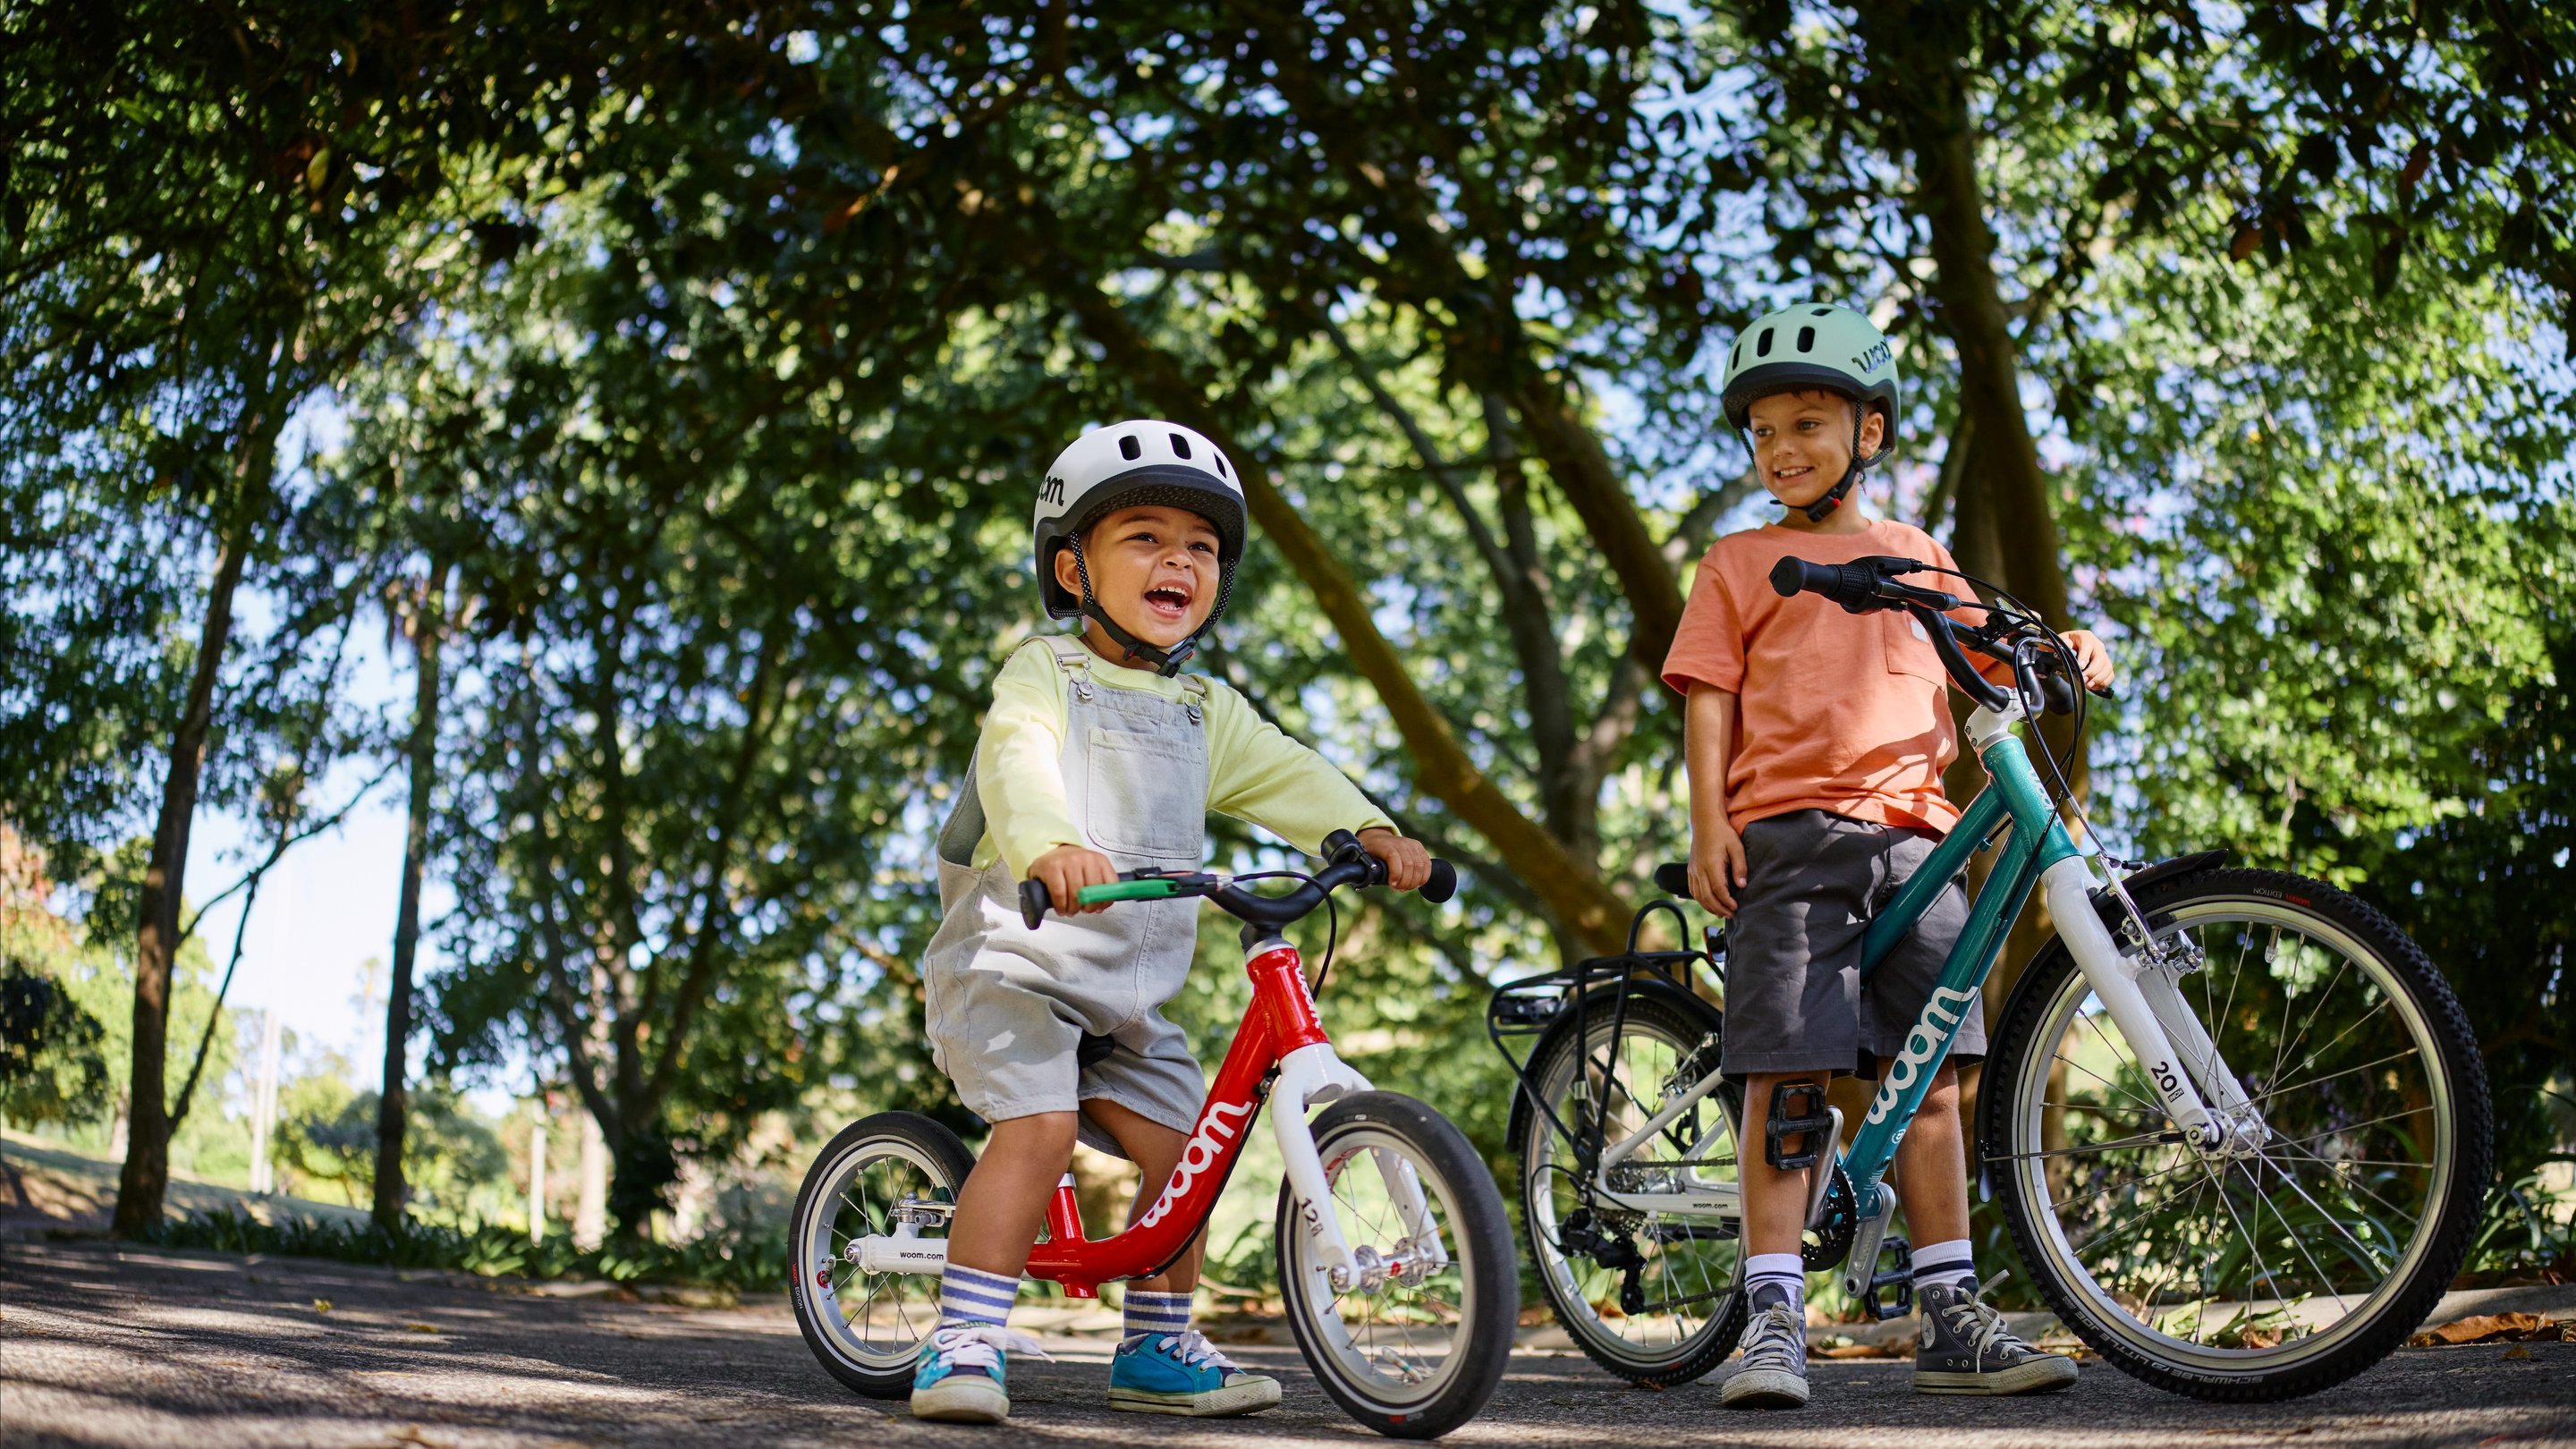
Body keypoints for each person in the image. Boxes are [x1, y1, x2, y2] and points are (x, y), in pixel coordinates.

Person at [909, 419, 1433, 1425]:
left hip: (1126, 993)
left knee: (1191, 1150)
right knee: (1040, 1126)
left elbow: (1290, 770)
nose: (1177, 561)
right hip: (1012, 960)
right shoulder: (1044, 673)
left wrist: (1370, 827)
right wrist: (1051, 844)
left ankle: (1156, 1342)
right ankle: (964, 1338)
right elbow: (1016, 759)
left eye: (1198, 546)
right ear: (1074, 568)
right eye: (1144, 537)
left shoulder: (1203, 709)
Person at [1659, 304, 2114, 1409]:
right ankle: (1773, 1314)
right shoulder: (1741, 561)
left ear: (1871, 432)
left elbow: (1987, 647)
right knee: (1791, 1071)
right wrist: (1710, 823)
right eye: (1764, 432)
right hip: (1792, 832)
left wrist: (2064, 643)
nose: (1783, 448)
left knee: (1934, 1082)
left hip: (1918, 836)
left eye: (1808, 422)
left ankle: (1949, 1308)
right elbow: (1710, 695)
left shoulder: (1915, 556)